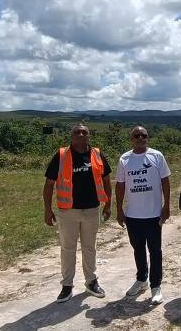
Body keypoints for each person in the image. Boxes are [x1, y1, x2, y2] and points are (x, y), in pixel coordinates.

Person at [43, 123, 112, 303]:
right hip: (68, 212)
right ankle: (67, 286)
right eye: (77, 132)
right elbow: (49, 184)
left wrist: (108, 205)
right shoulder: (61, 156)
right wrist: (47, 209)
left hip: (91, 209)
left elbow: (106, 181)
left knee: (90, 247)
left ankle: (91, 282)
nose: (81, 135)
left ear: (89, 136)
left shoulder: (97, 154)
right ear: (71, 137)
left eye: (84, 132)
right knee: (68, 249)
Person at [115, 126, 171, 305]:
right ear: (131, 139)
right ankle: (141, 280)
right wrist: (119, 210)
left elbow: (165, 182)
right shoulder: (125, 159)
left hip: (154, 214)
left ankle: (156, 286)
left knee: (155, 251)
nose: (140, 138)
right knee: (138, 249)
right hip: (133, 215)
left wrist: (166, 206)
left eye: (144, 135)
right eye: (136, 135)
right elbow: (120, 185)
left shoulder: (156, 156)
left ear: (148, 138)